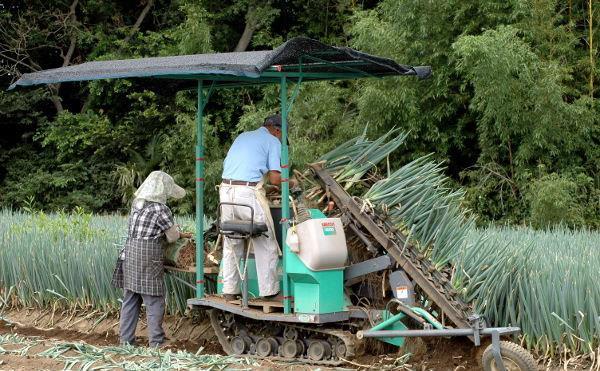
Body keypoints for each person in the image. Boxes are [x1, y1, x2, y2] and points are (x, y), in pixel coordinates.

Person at [111, 170, 191, 347]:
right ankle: (156, 342)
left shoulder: (137, 203)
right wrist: (181, 233)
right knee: (154, 299)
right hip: (148, 256)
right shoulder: (160, 209)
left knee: (131, 298)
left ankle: (126, 342)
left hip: (130, 252)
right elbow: (171, 236)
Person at [219, 114, 287, 301]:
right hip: (247, 194)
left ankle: (230, 290)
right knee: (265, 241)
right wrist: (290, 181)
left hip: (226, 192)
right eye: (282, 134)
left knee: (232, 241)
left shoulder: (243, 136)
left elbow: (231, 167)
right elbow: (274, 178)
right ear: (277, 130)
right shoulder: (273, 141)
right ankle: (270, 292)